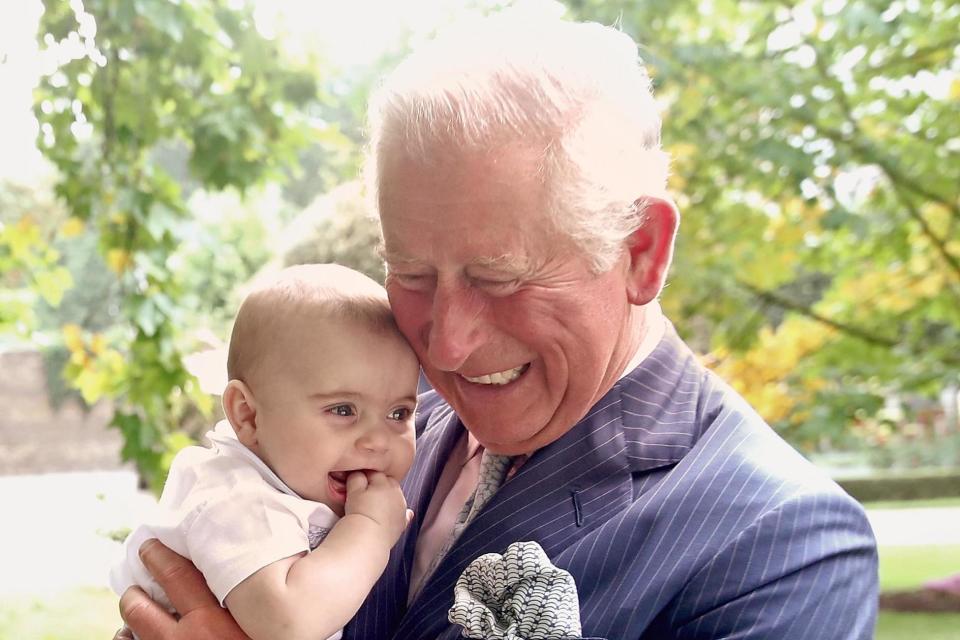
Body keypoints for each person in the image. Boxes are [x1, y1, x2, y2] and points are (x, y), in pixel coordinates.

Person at [114, 13, 879, 640]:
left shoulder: (784, 546)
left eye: (499, 279)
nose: (441, 347)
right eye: (410, 273)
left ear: (640, 252)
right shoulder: (370, 426)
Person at [111, 264, 419, 640]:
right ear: (248, 415)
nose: (378, 440)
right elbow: (289, 624)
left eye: (398, 413)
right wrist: (369, 531)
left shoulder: (290, 485)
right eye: (343, 410)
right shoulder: (237, 499)